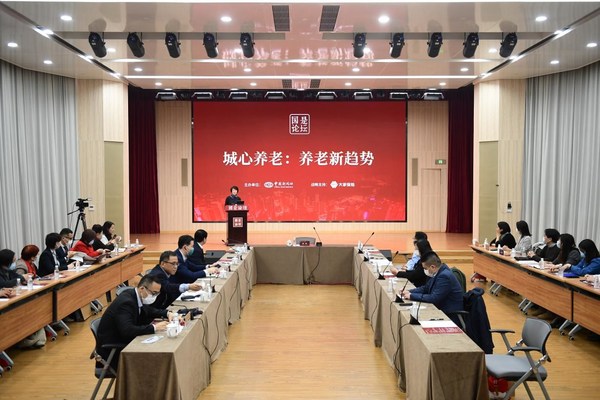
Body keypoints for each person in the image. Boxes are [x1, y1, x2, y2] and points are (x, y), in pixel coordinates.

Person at [96, 274, 174, 370]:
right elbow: (127, 330)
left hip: (123, 340)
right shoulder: (126, 303)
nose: (155, 297)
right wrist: (154, 327)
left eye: (157, 294)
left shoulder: (134, 295)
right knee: (158, 352)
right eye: (153, 293)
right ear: (142, 288)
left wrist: (167, 313)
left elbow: (147, 310)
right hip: (114, 350)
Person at [398, 252, 464, 325]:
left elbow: (434, 298)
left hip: (449, 315)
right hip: (440, 309)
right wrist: (409, 291)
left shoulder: (444, 276)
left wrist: (411, 296)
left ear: (432, 267)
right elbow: (426, 288)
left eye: (425, 268)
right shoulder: (438, 271)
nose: (425, 271)